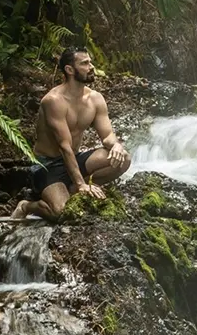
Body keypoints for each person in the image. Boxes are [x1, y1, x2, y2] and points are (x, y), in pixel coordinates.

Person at [11, 47, 132, 219]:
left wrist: (117, 145)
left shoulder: (95, 99)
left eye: (90, 62)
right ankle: (28, 206)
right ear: (69, 70)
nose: (91, 67)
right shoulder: (54, 101)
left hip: (75, 159)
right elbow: (64, 146)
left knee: (123, 159)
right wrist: (81, 183)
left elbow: (107, 136)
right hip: (48, 166)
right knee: (62, 213)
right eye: (85, 63)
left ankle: (72, 190)